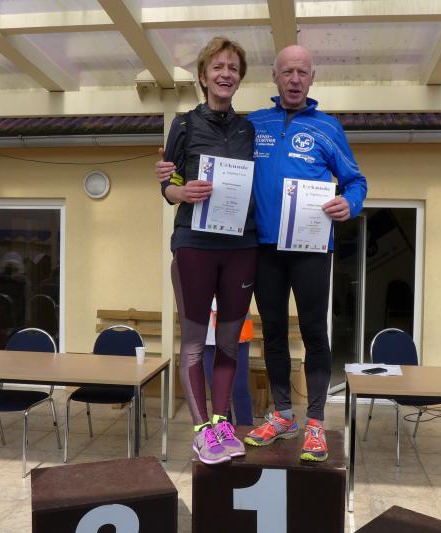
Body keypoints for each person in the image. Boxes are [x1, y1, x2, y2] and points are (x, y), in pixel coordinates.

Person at [158, 45, 367, 462]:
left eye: (302, 72)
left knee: (314, 332)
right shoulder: (254, 123)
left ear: (312, 78)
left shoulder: (328, 128)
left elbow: (355, 180)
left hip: (309, 246)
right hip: (261, 246)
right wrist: (171, 179)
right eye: (287, 71)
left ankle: (315, 422)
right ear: (274, 76)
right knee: (272, 332)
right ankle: (283, 414)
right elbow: (195, 165)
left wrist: (351, 203)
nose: (295, 79)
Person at [160, 36, 257, 464]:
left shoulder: (249, 129)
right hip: (195, 244)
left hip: (241, 246)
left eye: (233, 68)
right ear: (203, 76)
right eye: (218, 67)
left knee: (230, 343)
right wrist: (180, 191)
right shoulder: (183, 124)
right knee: (196, 343)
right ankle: (202, 432)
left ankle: (222, 424)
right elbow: (169, 182)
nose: (225, 74)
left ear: (239, 78)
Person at [203, 297, 254, 426]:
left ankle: (245, 429)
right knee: (217, 391)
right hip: (207, 336)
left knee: (239, 388)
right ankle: (225, 429)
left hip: (237, 332)